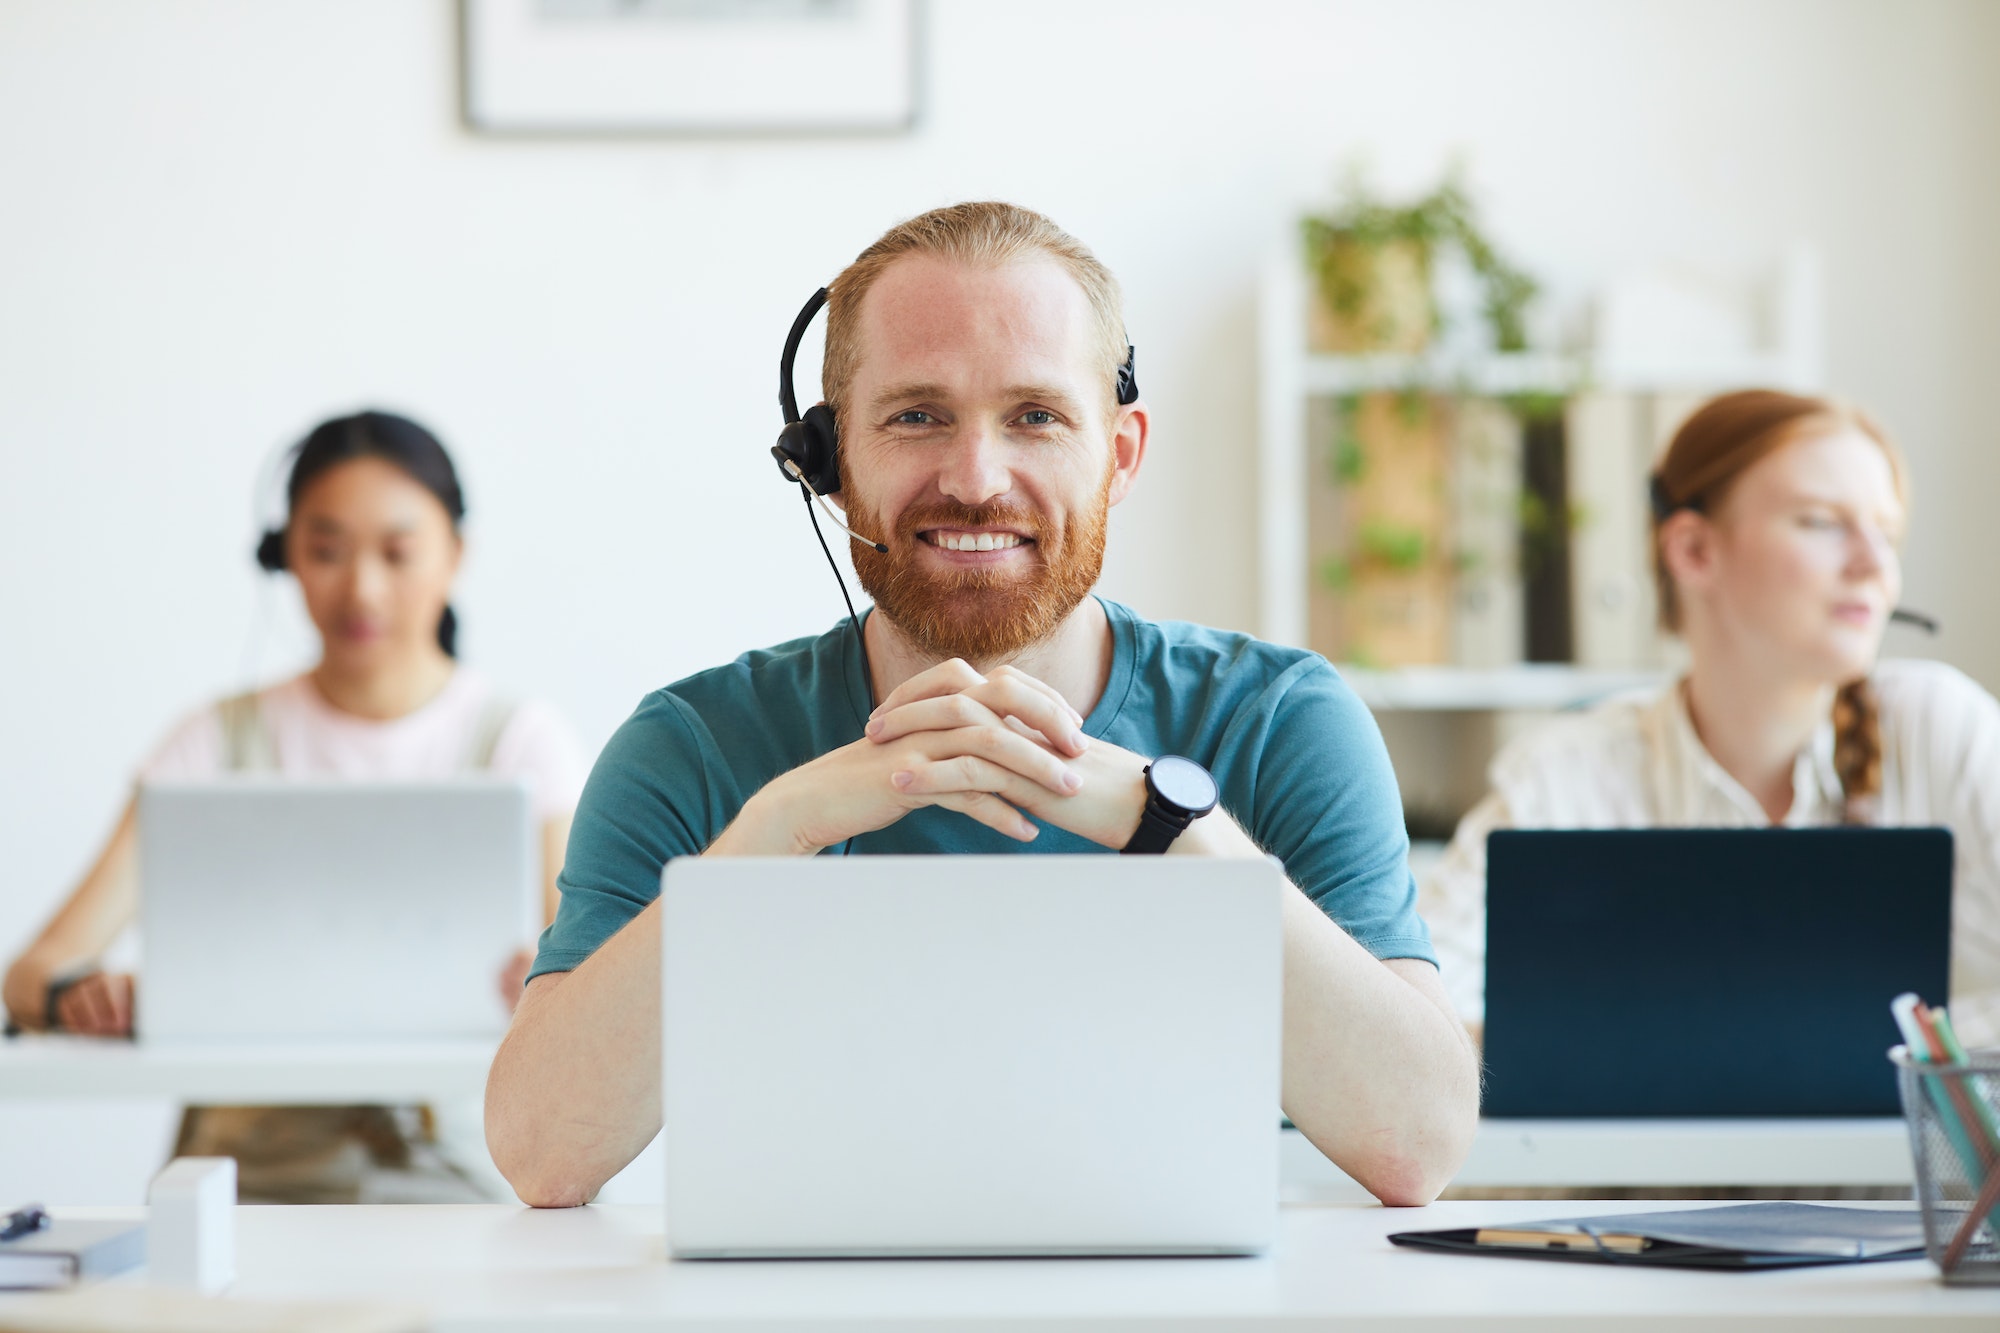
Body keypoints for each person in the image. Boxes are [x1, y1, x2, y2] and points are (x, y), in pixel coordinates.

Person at [486, 201, 1480, 1210]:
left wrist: (1169, 825)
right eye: (915, 416)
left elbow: (1418, 1143)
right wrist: (767, 838)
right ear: (827, 466)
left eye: (1035, 417)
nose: (974, 479)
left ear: (1121, 454)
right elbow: (541, 1151)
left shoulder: (1278, 720)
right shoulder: (691, 745)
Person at [2, 409, 586, 1200]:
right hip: (244, 1183)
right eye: (325, 550)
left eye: (397, 551)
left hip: (458, 1176)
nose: (362, 587)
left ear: (456, 554)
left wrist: (548, 985)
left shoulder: (520, 740)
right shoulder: (214, 739)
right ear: (284, 559)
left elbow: (587, 985)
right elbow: (31, 972)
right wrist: (80, 994)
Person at [1422, 389, 2000, 1047]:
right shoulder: (1562, 776)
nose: (1876, 565)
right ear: (1694, 550)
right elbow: (1413, 1008)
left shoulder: (1942, 730)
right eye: (1821, 521)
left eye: (1887, 533)